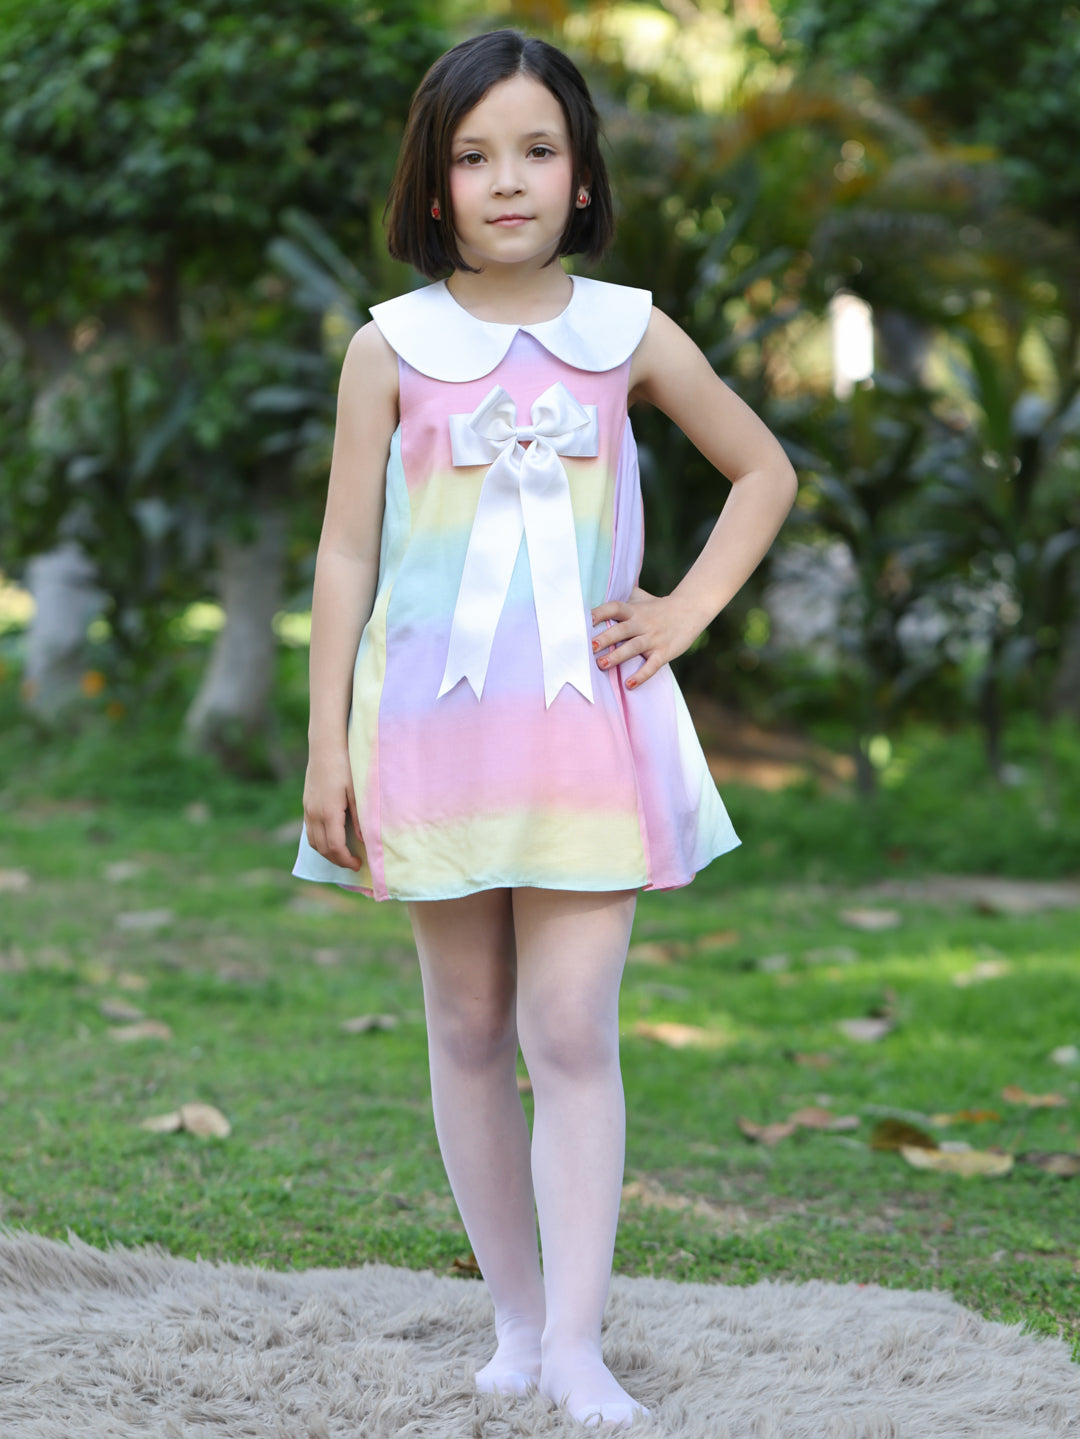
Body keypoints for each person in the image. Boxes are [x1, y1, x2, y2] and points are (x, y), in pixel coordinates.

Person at [292, 27, 798, 1431]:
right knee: (466, 1022)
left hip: (586, 736)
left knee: (570, 1024)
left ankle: (578, 1343)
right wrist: (326, 745)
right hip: (431, 738)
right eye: (473, 156)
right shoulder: (390, 349)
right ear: (433, 184)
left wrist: (683, 614)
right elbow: (344, 552)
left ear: (580, 177)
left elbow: (761, 469)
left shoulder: (626, 333)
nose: (506, 179)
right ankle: (514, 1323)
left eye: (536, 150)